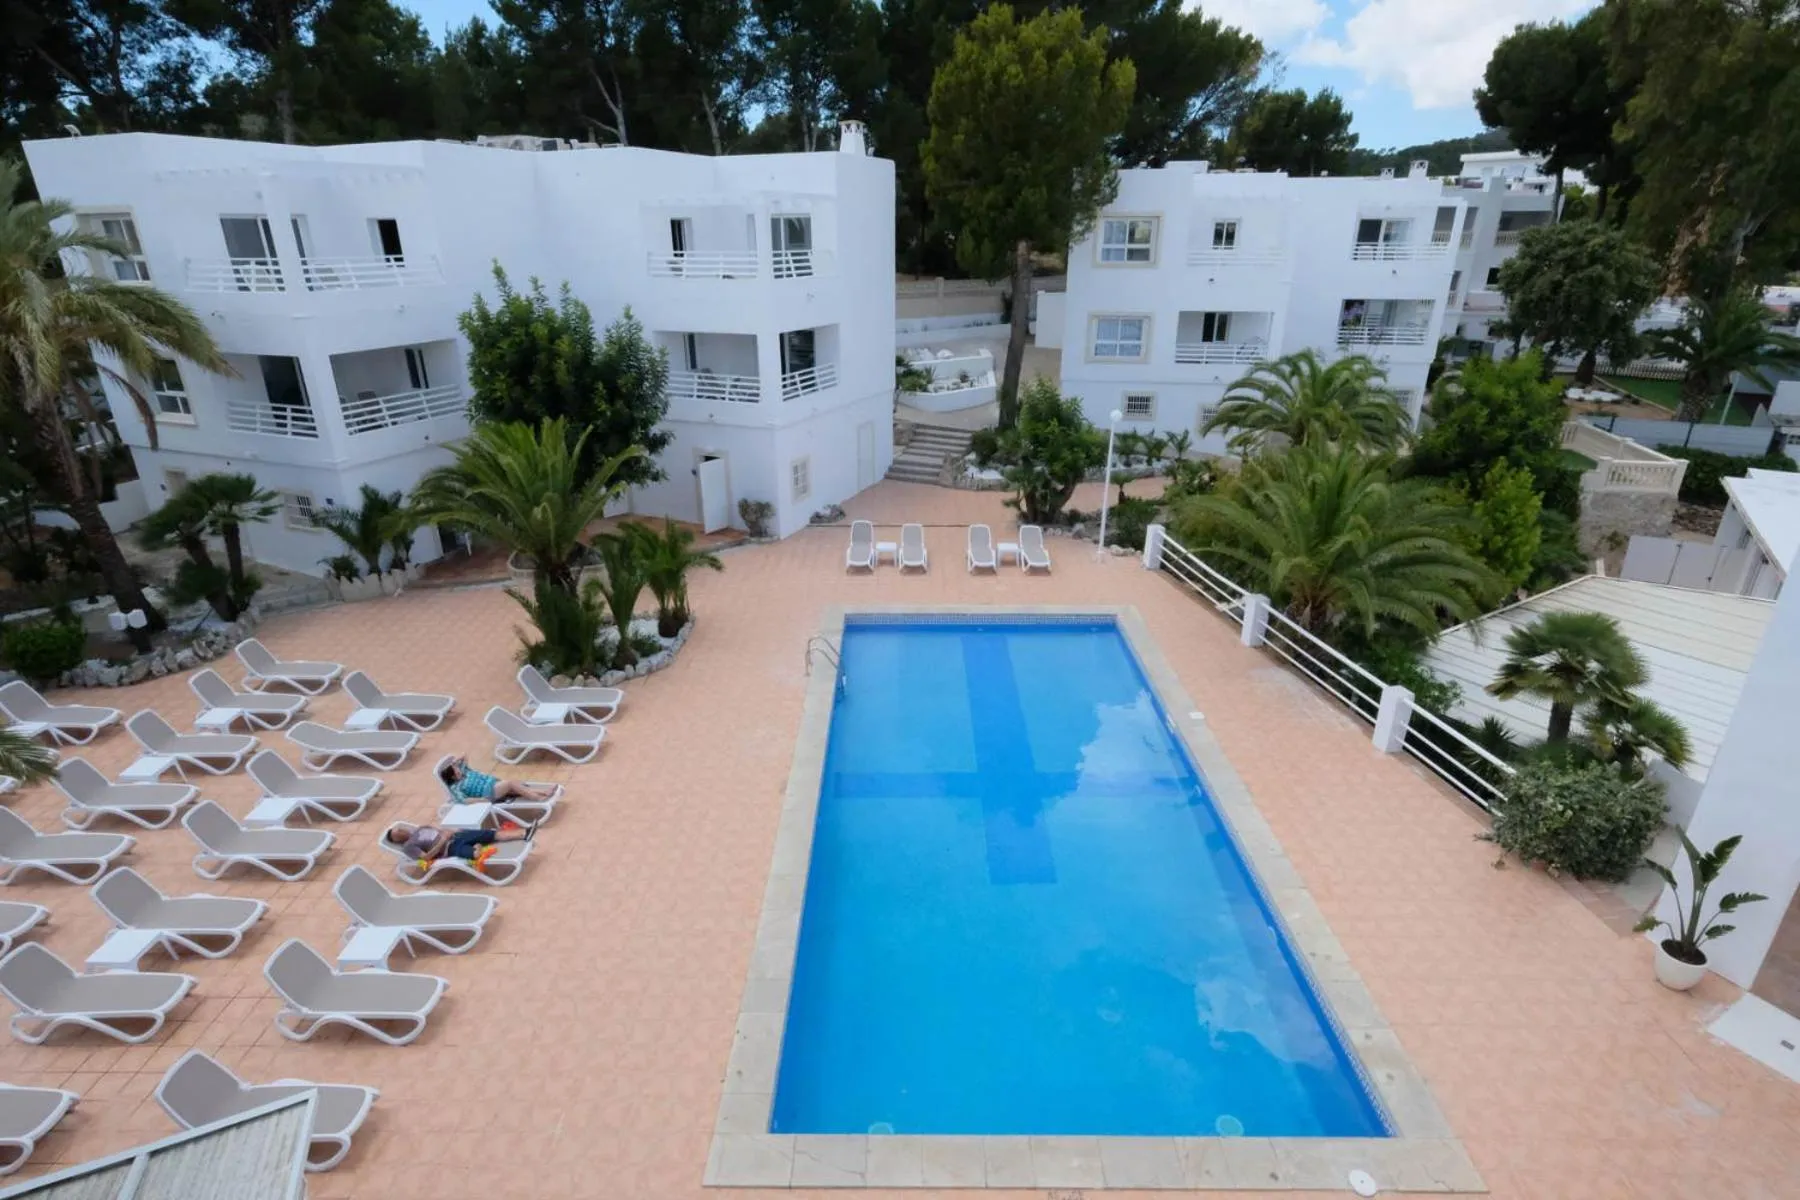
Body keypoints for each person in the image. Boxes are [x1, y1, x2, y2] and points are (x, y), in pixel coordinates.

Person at [385, 821, 531, 871]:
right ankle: (477, 847)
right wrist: (443, 840)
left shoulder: (420, 828)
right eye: (398, 834)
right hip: (449, 848)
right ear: (397, 840)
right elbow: (426, 857)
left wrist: (451, 831)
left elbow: (440, 830)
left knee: (492, 833)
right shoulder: (408, 846)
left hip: (456, 836)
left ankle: (524, 833)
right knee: (475, 855)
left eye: (400, 829)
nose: (402, 831)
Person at [438, 757, 557, 804]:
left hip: (494, 785)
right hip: (488, 794)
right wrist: (481, 800)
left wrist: (453, 763)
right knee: (511, 783)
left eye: (457, 768)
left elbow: (464, 756)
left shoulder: (465, 771)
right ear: (453, 777)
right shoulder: (456, 787)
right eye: (456, 771)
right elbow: (463, 800)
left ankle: (542, 792)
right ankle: (537, 798)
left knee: (515, 785)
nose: (459, 770)